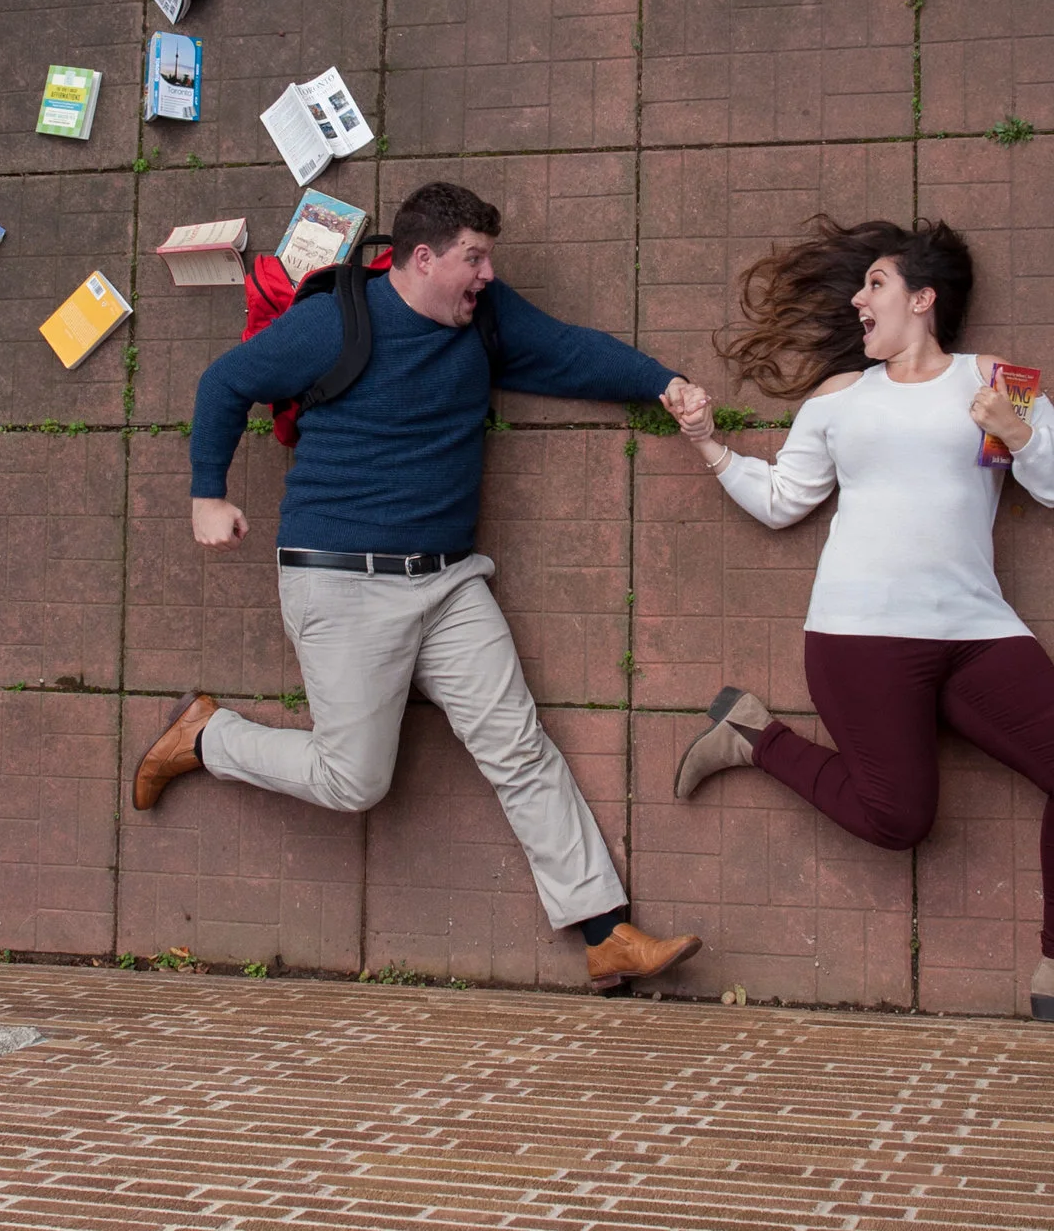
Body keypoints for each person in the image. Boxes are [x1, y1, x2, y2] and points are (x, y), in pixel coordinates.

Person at [133, 181, 703, 992]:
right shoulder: (338, 321)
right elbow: (226, 382)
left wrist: (661, 382)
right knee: (354, 781)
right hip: (342, 585)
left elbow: (572, 351)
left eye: (490, 258)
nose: (488, 275)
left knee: (518, 747)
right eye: (475, 258)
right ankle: (205, 739)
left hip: (448, 586)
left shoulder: (487, 319)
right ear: (423, 258)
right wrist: (206, 494)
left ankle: (607, 933)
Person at [662, 216, 1054, 1027]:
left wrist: (1018, 433)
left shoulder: (997, 380)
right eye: (861, 286)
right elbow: (784, 503)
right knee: (899, 821)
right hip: (859, 636)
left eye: (876, 285)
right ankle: (755, 737)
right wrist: (711, 446)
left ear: (923, 300)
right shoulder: (838, 398)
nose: (859, 299)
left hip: (975, 631)